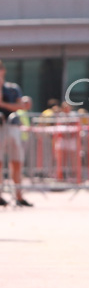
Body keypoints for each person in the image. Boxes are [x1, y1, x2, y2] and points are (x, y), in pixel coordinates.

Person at [0, 61, 33, 207]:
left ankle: (19, 196)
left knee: (17, 162)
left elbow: (20, 106)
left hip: (12, 127)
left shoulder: (13, 88)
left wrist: (3, 105)